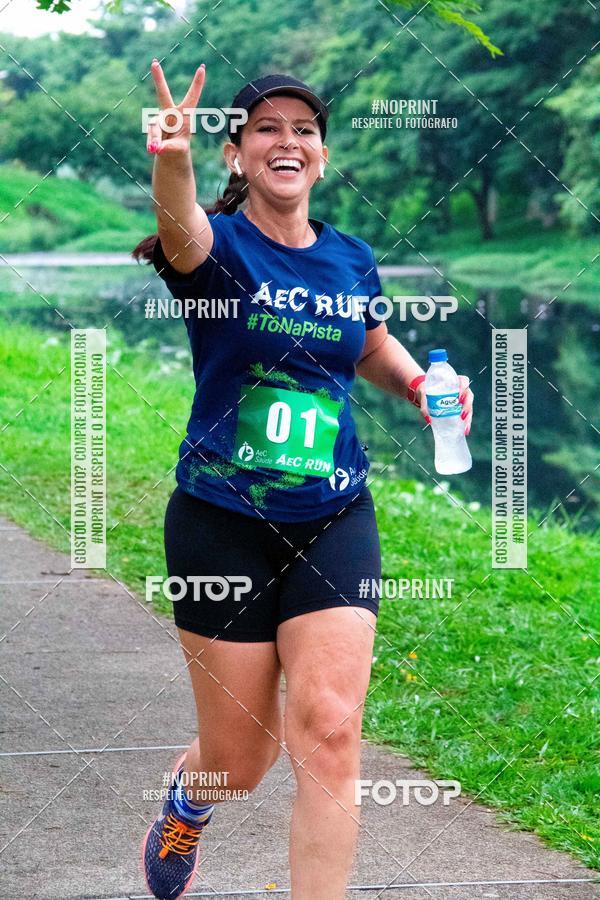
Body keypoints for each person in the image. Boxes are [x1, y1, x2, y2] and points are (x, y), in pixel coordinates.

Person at [132, 61, 473, 900]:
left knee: (328, 728)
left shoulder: (350, 258)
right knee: (242, 760)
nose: (289, 141)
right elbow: (179, 226)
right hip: (222, 518)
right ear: (238, 154)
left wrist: (424, 390)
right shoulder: (218, 253)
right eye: (267, 129)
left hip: (333, 513)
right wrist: (169, 160)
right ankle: (188, 798)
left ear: (320, 155)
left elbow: (369, 347)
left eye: (304, 130)